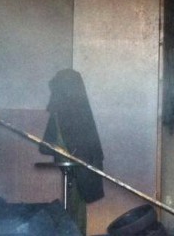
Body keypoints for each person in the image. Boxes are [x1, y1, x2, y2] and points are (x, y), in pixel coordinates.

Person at [40, 69, 104, 234]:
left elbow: (55, 143)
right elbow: (50, 143)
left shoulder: (71, 110)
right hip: (75, 166)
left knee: (76, 208)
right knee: (75, 208)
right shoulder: (69, 109)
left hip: (79, 167)